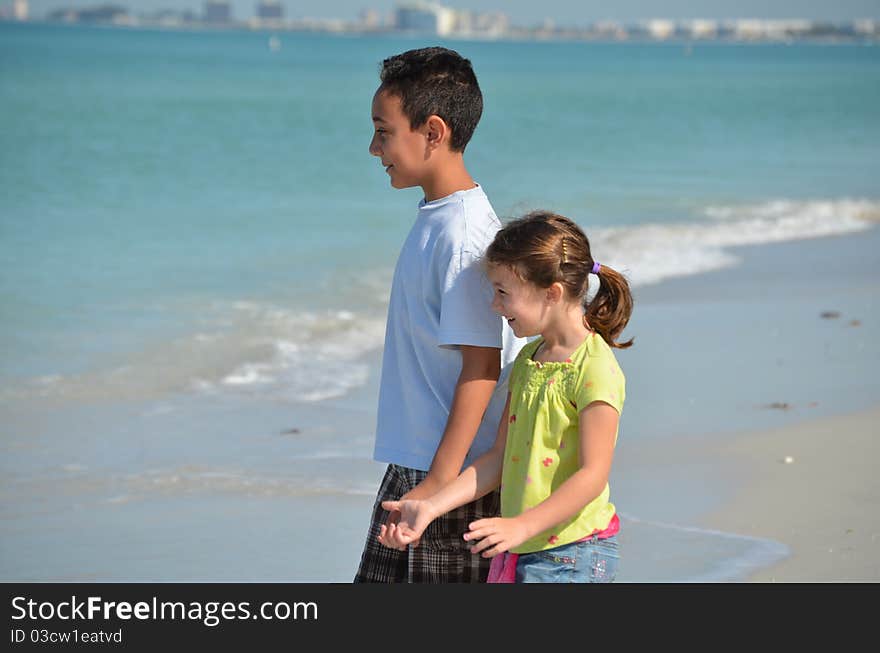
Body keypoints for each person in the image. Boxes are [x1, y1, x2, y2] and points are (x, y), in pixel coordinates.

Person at [377, 211, 634, 583]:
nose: (495, 306)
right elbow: (497, 458)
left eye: (503, 292)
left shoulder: (593, 369)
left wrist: (520, 526)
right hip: (525, 549)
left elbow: (593, 475)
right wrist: (429, 508)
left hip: (574, 553)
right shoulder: (529, 361)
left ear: (552, 293)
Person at [353, 46, 525, 583]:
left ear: (432, 132)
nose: (373, 147)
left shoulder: (466, 233)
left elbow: (483, 363)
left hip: (450, 480)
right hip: (419, 465)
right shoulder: (440, 217)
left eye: (384, 131)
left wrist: (439, 484)